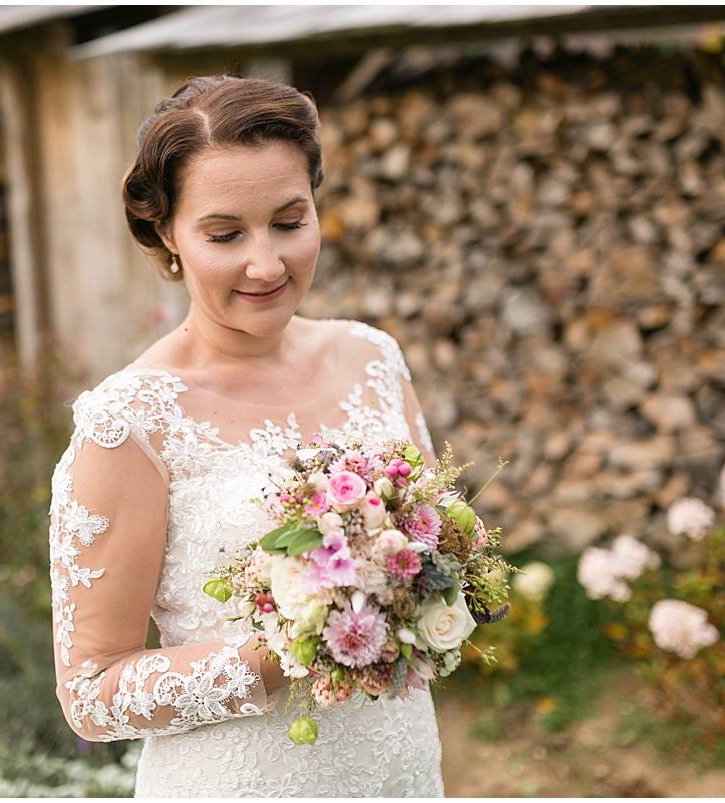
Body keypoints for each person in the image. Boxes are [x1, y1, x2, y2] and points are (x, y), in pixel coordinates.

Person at [48, 74, 444, 797]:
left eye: (290, 222)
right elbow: (91, 691)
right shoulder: (129, 422)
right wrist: (297, 644)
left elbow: (431, 544)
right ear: (167, 233)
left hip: (400, 765)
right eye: (225, 234)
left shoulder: (373, 358)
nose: (267, 264)